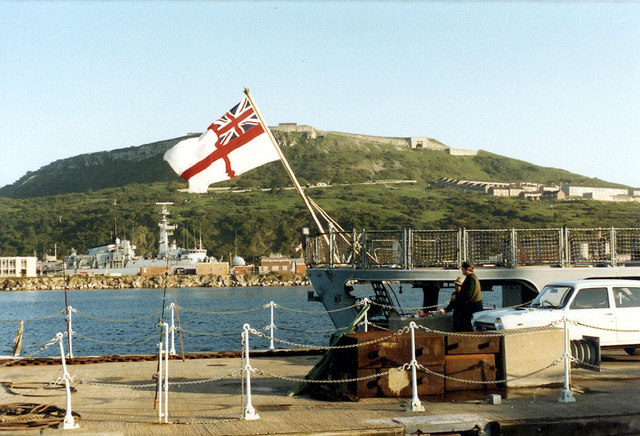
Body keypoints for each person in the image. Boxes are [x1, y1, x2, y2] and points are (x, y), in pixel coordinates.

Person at [438, 261, 483, 331]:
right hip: (469, 312)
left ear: (467, 268)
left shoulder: (471, 279)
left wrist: (456, 296)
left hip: (471, 312)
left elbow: (468, 294)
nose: (461, 270)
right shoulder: (472, 278)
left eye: (462, 268)